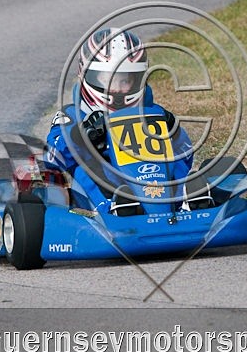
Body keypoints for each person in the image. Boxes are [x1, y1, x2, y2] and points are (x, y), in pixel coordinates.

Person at [46, 28, 194, 214]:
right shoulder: (72, 116)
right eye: (108, 80)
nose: (116, 89)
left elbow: (186, 153)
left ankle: (187, 200)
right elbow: (53, 156)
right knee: (85, 171)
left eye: (125, 81)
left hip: (154, 181)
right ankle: (117, 208)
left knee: (182, 165)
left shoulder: (154, 114)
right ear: (86, 76)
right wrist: (83, 136)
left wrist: (175, 130)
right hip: (103, 188)